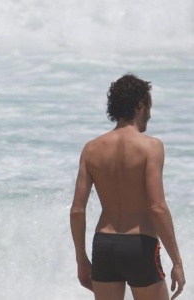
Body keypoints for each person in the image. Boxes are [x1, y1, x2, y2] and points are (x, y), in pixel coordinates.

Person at [70, 74, 185, 300]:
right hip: (139, 245)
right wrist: (177, 262)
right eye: (149, 107)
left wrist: (81, 260)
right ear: (140, 104)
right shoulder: (150, 147)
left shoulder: (91, 149)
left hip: (104, 245)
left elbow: (77, 210)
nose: (149, 115)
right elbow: (158, 207)